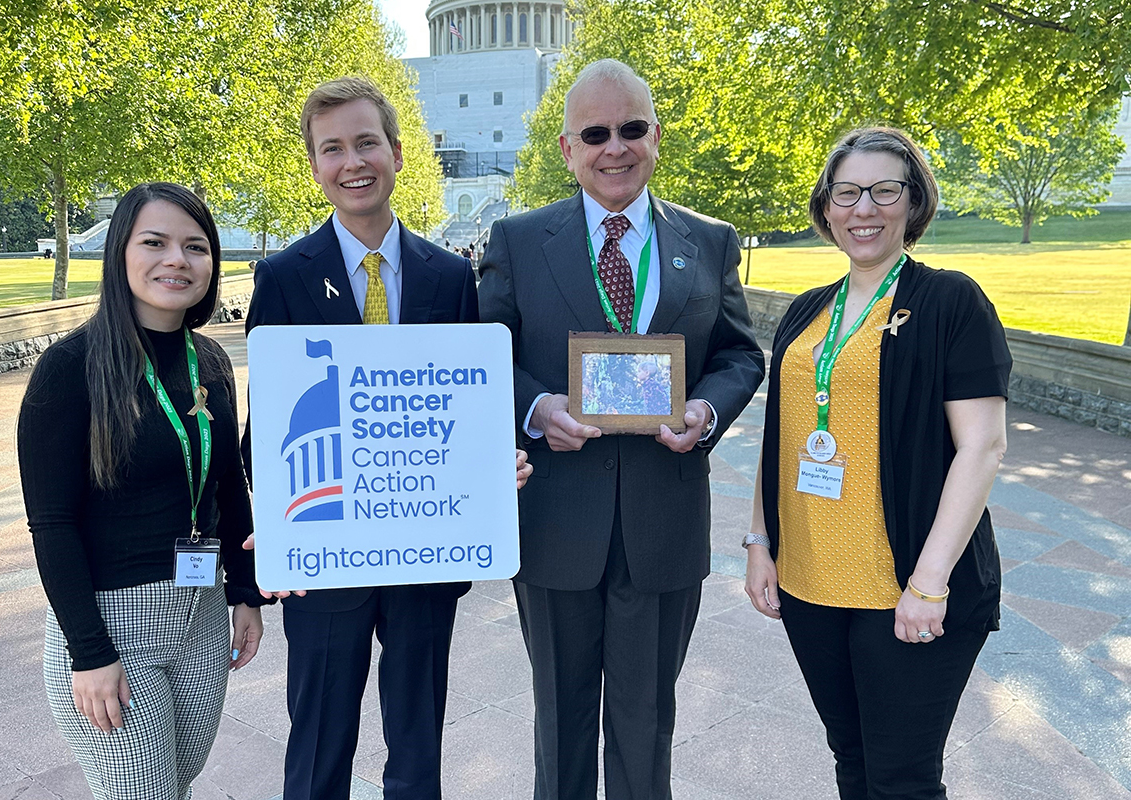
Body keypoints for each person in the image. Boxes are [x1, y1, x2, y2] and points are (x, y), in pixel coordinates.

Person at [478, 58, 765, 800]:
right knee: (560, 722)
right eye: (595, 133)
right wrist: (536, 410)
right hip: (553, 525)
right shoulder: (515, 240)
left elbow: (738, 354)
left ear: (655, 137)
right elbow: (481, 357)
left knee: (647, 727)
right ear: (568, 148)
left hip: (661, 523)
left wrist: (704, 413)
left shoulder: (709, 241)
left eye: (631, 129)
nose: (616, 147)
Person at [240, 76, 525, 800]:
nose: (352, 161)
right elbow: (264, 431)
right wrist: (274, 521)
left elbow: (465, 412)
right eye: (332, 148)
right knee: (317, 749)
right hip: (326, 554)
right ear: (314, 166)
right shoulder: (280, 278)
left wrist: (492, 464)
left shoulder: (449, 277)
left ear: (398, 153)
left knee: (418, 745)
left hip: (425, 556)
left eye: (366, 142)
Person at [744, 127, 1012, 800]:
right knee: (854, 760)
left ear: (912, 202)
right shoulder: (806, 314)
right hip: (810, 585)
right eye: (847, 192)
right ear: (826, 207)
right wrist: (758, 542)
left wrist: (928, 581)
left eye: (884, 190)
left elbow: (983, 445)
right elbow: (784, 438)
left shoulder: (951, 301)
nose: (864, 208)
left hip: (905, 588)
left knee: (903, 778)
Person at [18, 182, 268, 800]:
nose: (176, 260)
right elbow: (51, 524)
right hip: (114, 624)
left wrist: (244, 592)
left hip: (203, 612)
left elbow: (229, 487)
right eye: (154, 243)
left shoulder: (208, 362)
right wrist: (89, 652)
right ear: (119, 254)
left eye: (196, 246)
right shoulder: (69, 368)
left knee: (173, 785)